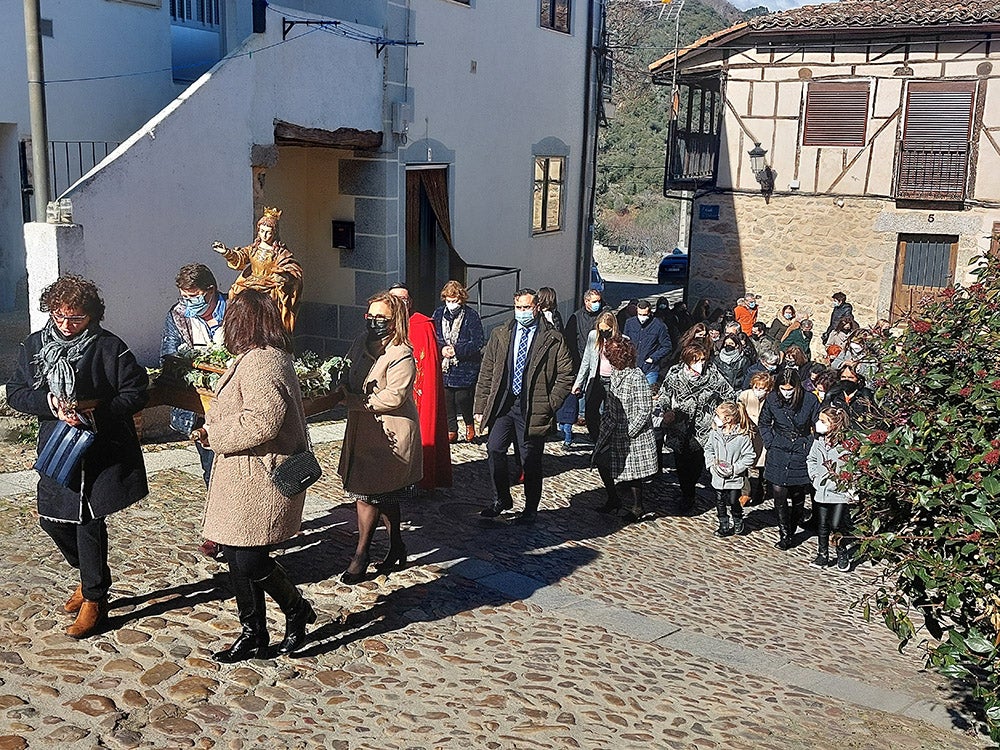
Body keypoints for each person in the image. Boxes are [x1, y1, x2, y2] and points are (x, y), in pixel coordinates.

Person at [7, 275, 149, 639]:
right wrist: (49, 404)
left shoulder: (109, 347)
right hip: (57, 446)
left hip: (101, 451)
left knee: (87, 521)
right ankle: (91, 575)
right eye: (59, 316)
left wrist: (93, 412)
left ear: (91, 316)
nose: (66, 326)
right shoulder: (35, 345)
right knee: (51, 519)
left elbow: (136, 391)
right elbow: (16, 393)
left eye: (76, 319)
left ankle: (95, 598)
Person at [194, 290, 315, 661]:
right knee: (236, 557)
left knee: (249, 560)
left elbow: (263, 421)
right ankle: (253, 633)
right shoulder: (254, 357)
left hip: (260, 478)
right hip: (243, 475)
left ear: (241, 322)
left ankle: (297, 610)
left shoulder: (263, 361)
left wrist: (214, 434)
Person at [338, 292, 422, 583]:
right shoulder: (360, 343)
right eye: (369, 316)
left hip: (390, 431)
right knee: (384, 495)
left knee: (368, 494)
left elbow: (394, 396)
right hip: (362, 429)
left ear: (394, 320)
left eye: (380, 318)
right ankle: (397, 544)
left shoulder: (401, 353)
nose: (374, 322)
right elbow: (346, 372)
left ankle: (361, 555)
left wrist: (355, 402)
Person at [474, 288, 573, 524]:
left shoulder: (552, 338)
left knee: (529, 460)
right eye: (518, 308)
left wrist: (550, 404)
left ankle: (530, 508)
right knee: (494, 449)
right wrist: (480, 406)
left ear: (537, 307)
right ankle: (502, 498)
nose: (522, 312)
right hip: (504, 404)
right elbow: (487, 372)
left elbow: (566, 374)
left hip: (533, 407)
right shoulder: (501, 334)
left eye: (526, 308)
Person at [161, 263, 228, 559]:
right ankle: (218, 531)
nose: (188, 302)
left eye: (194, 295)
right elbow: (168, 356)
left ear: (211, 291)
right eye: (183, 296)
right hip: (200, 409)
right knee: (211, 469)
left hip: (234, 406)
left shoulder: (236, 309)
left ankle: (247, 527)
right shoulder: (176, 316)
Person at [658, 344, 736, 511]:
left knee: (696, 462)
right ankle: (687, 493)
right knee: (681, 462)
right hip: (679, 425)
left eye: (702, 360)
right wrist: (667, 411)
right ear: (687, 361)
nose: (700, 363)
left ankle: (690, 491)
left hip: (704, 427)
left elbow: (729, 395)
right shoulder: (675, 374)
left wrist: (721, 414)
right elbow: (664, 394)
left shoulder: (712, 374)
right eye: (696, 360)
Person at [389, 284, 452, 490]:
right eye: (394, 300)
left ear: (410, 303)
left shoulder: (422, 325)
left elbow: (430, 367)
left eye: (404, 300)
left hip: (414, 394)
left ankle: (417, 479)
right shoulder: (379, 322)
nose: (399, 304)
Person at [592, 336, 658, 522]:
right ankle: (613, 499)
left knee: (633, 473)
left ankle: (638, 507)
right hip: (613, 427)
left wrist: (630, 432)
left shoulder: (636, 377)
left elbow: (645, 409)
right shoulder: (615, 374)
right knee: (602, 461)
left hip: (633, 434)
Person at [212, 206, 303, 333]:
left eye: (268, 232)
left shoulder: (280, 252)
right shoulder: (253, 248)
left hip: (270, 286)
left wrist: (284, 276)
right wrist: (226, 252)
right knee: (235, 293)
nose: (264, 235)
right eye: (261, 231)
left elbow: (292, 268)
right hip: (251, 282)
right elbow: (240, 258)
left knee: (268, 312)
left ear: (275, 233)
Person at [758, 367, 820, 550]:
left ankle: (793, 525)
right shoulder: (772, 399)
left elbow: (817, 424)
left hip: (800, 448)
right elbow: (764, 422)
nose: (786, 393)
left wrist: (809, 445)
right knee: (779, 492)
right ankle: (785, 535)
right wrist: (770, 441)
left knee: (797, 494)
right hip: (779, 448)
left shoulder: (810, 400)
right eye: (783, 389)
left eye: (789, 389)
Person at [432, 280, 485, 444]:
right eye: (449, 301)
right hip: (445, 365)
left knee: (462, 398)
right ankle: (451, 429)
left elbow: (478, 341)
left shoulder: (471, 315)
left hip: (464, 366)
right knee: (447, 398)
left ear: (461, 300)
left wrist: (457, 350)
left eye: (454, 301)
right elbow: (433, 336)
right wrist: (442, 349)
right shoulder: (439, 314)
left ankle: (469, 424)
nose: (451, 304)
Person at [807, 406, 854, 571]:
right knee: (822, 523)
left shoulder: (848, 444)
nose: (818, 424)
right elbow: (811, 459)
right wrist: (814, 476)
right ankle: (822, 554)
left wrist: (850, 484)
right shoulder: (819, 441)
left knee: (836, 524)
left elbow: (854, 465)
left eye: (823, 421)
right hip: (822, 489)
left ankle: (842, 552)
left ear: (834, 424)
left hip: (840, 491)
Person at [703, 401, 756, 537]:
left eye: (718, 415)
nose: (715, 418)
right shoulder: (715, 433)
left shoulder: (742, 437)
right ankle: (724, 525)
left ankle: (737, 519)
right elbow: (708, 449)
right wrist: (711, 464)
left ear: (728, 418)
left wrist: (735, 469)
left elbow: (749, 456)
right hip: (718, 475)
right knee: (720, 500)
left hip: (734, 477)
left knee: (733, 500)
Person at [572, 311, 619, 442]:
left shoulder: (621, 340)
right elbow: (586, 361)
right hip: (596, 379)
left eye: (607, 330)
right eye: (601, 330)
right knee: (590, 413)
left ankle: (607, 441)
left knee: (610, 414)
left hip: (613, 381)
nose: (604, 333)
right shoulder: (593, 336)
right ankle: (597, 439)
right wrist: (578, 382)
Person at [737, 371, 774, 506]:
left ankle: (760, 491)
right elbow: (739, 410)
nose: (758, 391)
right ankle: (745, 492)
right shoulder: (746, 395)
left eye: (762, 388)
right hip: (747, 433)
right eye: (756, 388)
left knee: (762, 465)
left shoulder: (772, 398)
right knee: (744, 463)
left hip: (763, 435)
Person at [623, 300, 673, 386]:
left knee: (649, 394)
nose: (642, 317)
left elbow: (667, 346)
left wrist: (653, 358)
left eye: (644, 315)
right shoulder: (630, 323)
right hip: (632, 366)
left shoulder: (659, 326)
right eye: (640, 314)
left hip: (650, 369)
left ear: (650, 313)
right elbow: (625, 342)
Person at [564, 288, 606, 369]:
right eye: (594, 302)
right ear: (586, 301)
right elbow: (569, 339)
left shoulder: (603, 316)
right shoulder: (576, 317)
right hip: (580, 359)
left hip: (599, 360)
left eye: (599, 301)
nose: (597, 304)